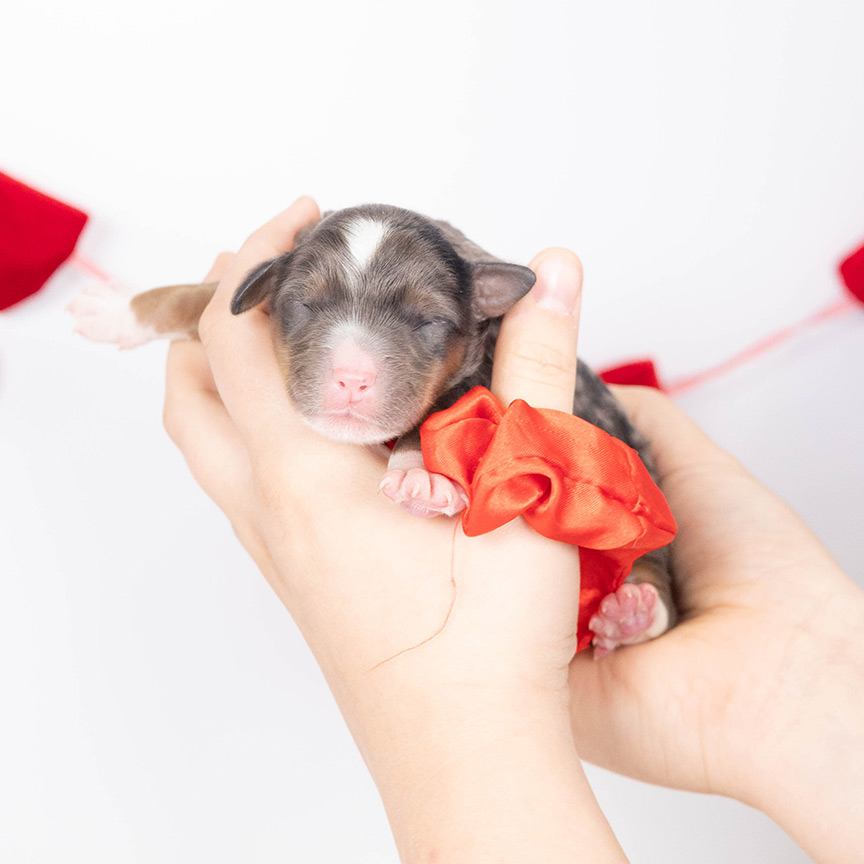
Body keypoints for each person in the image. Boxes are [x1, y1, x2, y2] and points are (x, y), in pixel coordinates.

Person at [163, 197, 864, 863]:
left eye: (420, 321)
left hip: (602, 535)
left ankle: (647, 587)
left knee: (629, 520)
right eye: (309, 306)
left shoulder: (481, 375)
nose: (353, 368)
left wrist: (450, 706)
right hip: (683, 654)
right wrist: (799, 688)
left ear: (484, 304)